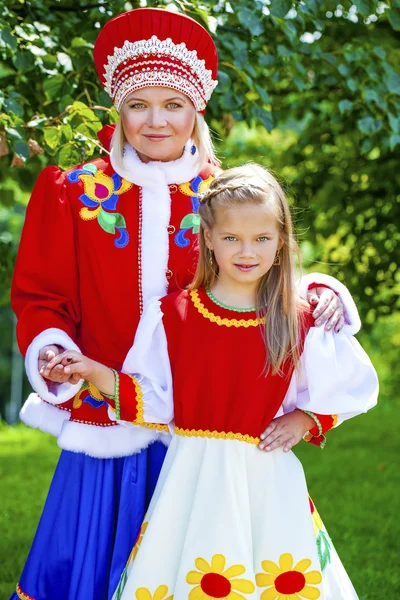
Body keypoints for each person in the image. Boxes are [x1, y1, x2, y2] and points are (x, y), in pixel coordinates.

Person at [10, 7, 350, 600]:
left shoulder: (224, 196)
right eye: (139, 104)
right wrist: (53, 351)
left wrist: (321, 293)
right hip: (108, 410)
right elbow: (41, 296)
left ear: (197, 112)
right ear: (118, 109)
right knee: (92, 557)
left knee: (195, 560)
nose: (156, 120)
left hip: (202, 420)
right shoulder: (72, 191)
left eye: (173, 105)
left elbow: (268, 259)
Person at [45, 164, 378, 599]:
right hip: (191, 476)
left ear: (281, 242)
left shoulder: (298, 318)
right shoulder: (174, 315)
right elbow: (157, 400)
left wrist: (306, 419)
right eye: (231, 238)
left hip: (265, 476)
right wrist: (93, 372)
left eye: (262, 239)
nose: (247, 251)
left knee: (273, 573)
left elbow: (351, 386)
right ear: (208, 239)